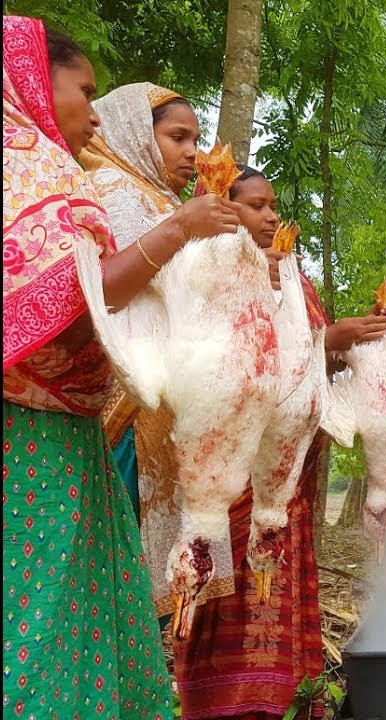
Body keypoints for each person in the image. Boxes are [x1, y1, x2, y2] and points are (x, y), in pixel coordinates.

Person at [2, 15, 234, 718]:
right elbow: (76, 297)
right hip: (27, 434)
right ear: (37, 81)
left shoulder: (48, 167)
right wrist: (177, 231)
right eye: (84, 91)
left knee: (82, 600)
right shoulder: (21, 164)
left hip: (67, 432)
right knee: (38, 610)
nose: (94, 116)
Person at [168, 165, 386, 719]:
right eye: (255, 205)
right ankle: (224, 704)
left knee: (276, 591)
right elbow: (222, 364)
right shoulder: (204, 269)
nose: (272, 216)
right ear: (221, 209)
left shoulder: (294, 276)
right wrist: (326, 340)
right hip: (230, 475)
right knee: (225, 589)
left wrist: (359, 340)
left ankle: (282, 701)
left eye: (273, 205)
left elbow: (307, 370)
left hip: (285, 480)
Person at [78, 81, 250, 634]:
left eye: (196, 139)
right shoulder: (111, 188)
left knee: (137, 585)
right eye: (178, 137)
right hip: (126, 408)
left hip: (162, 407)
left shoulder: (166, 203)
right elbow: (114, 293)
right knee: (116, 569)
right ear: (135, 132)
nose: (193, 153)